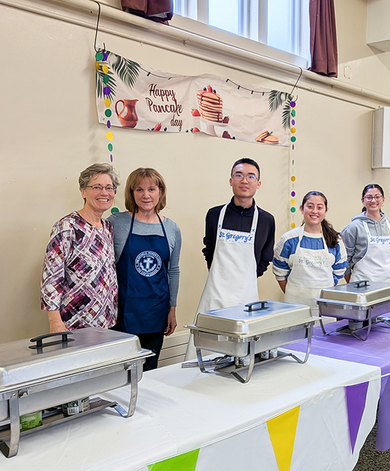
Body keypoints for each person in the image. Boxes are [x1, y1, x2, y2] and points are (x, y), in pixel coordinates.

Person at [186, 158, 276, 360]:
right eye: (239, 175)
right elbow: (209, 249)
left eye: (251, 176)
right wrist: (220, 275)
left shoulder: (266, 220)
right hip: (215, 294)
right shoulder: (214, 214)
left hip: (246, 295)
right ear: (231, 181)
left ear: (258, 183)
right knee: (207, 348)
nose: (245, 180)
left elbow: (265, 257)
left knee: (242, 353)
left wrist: (246, 278)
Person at [109, 168, 181, 371]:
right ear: (131, 193)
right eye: (139, 189)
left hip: (156, 312)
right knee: (121, 370)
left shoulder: (172, 228)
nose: (146, 195)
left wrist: (172, 309)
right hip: (123, 312)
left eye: (151, 189)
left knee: (150, 368)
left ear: (161, 192)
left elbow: (173, 271)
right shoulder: (117, 224)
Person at [41, 163, 120, 333]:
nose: (104, 193)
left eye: (109, 187)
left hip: (107, 322)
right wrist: (55, 321)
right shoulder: (67, 226)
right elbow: (51, 277)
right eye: (97, 187)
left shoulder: (107, 227)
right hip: (74, 323)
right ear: (83, 191)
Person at [273, 191, 347, 315]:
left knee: (324, 333)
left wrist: (324, 288)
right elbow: (279, 270)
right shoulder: (289, 239)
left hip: (325, 304)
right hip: (295, 303)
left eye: (319, 207)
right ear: (302, 209)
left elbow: (340, 269)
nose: (314, 211)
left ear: (326, 210)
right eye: (310, 206)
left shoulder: (335, 241)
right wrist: (295, 293)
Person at [341, 184, 390, 284]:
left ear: (383, 199)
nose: (373, 201)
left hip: (389, 283)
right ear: (363, 201)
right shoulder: (353, 228)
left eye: (377, 197)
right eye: (369, 197)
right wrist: (352, 284)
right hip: (362, 284)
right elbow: (345, 260)